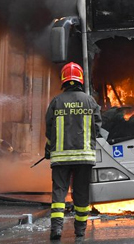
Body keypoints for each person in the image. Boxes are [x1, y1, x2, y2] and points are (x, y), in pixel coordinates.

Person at [45, 62, 101, 240]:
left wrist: (48, 149)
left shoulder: (56, 101)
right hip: (84, 158)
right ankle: (80, 231)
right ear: (80, 79)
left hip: (61, 158)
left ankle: (56, 229)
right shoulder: (89, 101)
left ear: (63, 79)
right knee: (81, 193)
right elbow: (97, 128)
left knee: (59, 192)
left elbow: (49, 130)